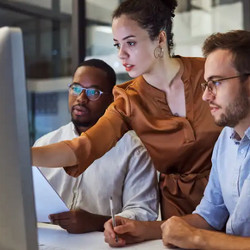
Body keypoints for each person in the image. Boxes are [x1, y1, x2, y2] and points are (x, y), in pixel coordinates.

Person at [32, 0, 221, 239]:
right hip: (180, 212)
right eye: (117, 44)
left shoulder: (210, 72)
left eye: (130, 42)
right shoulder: (127, 99)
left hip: (232, 196)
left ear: (160, 39)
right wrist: (21, 154)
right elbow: (82, 147)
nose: (121, 54)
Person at [34, 59, 159, 233]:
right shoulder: (45, 144)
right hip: (47, 240)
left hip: (103, 242)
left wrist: (95, 222)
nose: (81, 98)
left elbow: (143, 212)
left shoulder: (134, 150)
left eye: (93, 92)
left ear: (112, 99)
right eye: (76, 88)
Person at [161, 30, 250, 249]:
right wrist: (144, 229)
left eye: (216, 83)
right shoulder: (226, 140)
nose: (206, 96)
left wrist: (195, 238)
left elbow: (201, 233)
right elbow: (209, 216)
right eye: (205, 85)